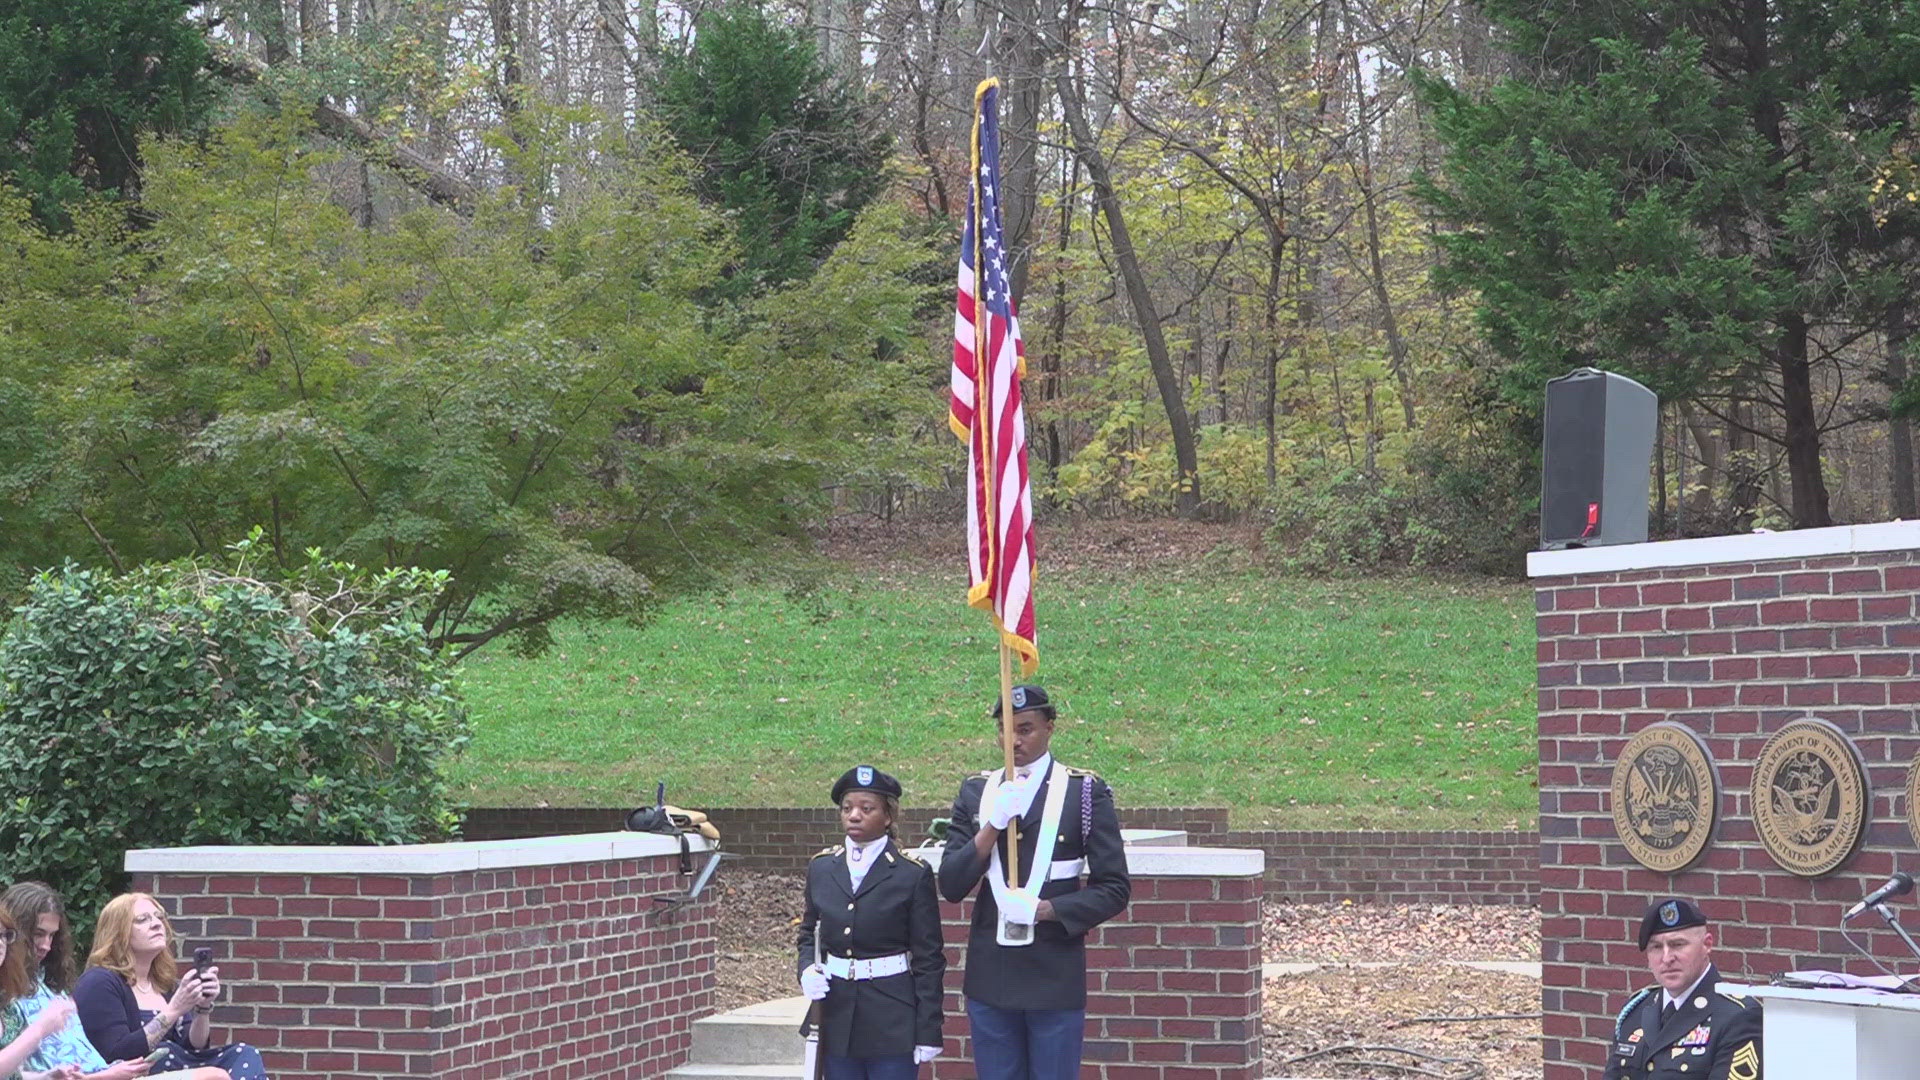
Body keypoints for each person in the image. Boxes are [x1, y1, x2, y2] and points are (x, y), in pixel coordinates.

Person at [937, 685, 1130, 1080]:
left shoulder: (1083, 793)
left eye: (1025, 729)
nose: (1013, 741)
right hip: (993, 974)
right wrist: (992, 824)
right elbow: (952, 885)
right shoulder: (978, 792)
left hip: (1053, 973)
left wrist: (1048, 910)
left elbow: (1114, 887)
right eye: (1005, 730)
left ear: (1050, 728)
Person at [797, 765, 944, 1079]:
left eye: (867, 809)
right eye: (847, 808)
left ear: (888, 816)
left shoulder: (910, 874)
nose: (854, 816)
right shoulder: (823, 868)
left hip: (892, 1017)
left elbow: (929, 957)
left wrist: (929, 1028)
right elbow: (809, 932)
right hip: (836, 1015)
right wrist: (807, 968)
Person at [73, 895, 267, 1080]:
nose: (157, 924)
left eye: (159, 917)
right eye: (142, 919)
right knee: (183, 1062)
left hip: (178, 1068)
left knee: (245, 1054)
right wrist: (174, 1009)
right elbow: (117, 1053)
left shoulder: (164, 984)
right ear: (117, 932)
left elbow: (194, 1049)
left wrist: (202, 1008)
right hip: (138, 1074)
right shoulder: (99, 982)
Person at [1, 883, 153, 1080]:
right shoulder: (13, 996)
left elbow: (19, 1075)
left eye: (52, 936)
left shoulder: (48, 986)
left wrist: (50, 1076)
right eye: (38, 934)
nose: (46, 946)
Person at [1604, 897, 1761, 1080]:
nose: (1667, 958)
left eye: (1677, 945)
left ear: (1707, 944)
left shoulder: (1739, 1017)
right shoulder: (1635, 1011)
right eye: (1656, 947)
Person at [0, 900, 87, 1080]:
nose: (1, 942)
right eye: (39, 934)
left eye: (3, 935)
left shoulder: (7, 1007)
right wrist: (41, 1028)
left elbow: (12, 1075)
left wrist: (47, 1077)